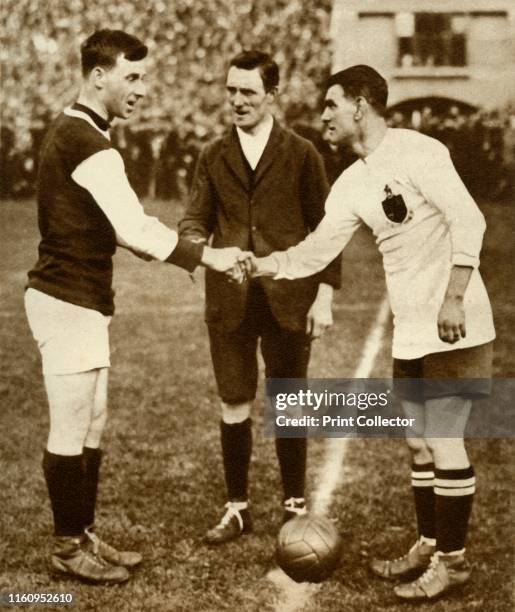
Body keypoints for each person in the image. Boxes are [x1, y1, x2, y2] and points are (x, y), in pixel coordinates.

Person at [240, 65, 495, 601]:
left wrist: (453, 298)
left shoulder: (419, 151)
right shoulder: (352, 182)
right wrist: (265, 265)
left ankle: (454, 563)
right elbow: (317, 249)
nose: (323, 115)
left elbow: (470, 220)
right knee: (418, 443)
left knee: (445, 439)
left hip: (454, 322)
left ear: (360, 104)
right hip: (410, 329)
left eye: (331, 105)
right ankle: (429, 544)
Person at [25, 29, 244, 584]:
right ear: (99, 77)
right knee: (72, 426)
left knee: (92, 419)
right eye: (133, 77)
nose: (142, 90)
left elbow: (126, 232)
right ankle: (66, 548)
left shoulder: (84, 132)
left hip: (81, 298)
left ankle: (81, 531)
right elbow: (135, 230)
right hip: (66, 298)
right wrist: (210, 258)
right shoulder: (86, 142)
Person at [179, 50, 341, 545]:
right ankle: (238, 507)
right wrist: (198, 251)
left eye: (248, 92)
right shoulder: (212, 154)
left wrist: (326, 296)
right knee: (234, 400)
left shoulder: (302, 153)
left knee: (290, 400)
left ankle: (294, 504)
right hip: (228, 300)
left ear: (273, 95)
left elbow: (328, 229)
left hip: (290, 296)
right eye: (231, 91)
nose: (237, 101)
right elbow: (193, 220)